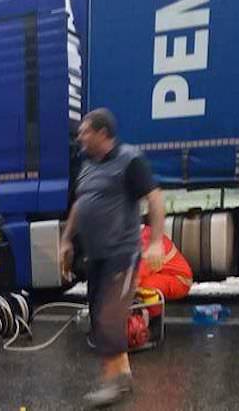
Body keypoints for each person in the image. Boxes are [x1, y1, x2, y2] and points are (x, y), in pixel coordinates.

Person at [59, 109, 165, 408]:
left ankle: (111, 384)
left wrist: (156, 241)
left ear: (103, 133)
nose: (79, 136)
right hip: (97, 255)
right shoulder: (87, 165)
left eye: (85, 131)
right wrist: (67, 239)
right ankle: (124, 375)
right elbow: (81, 204)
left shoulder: (130, 160)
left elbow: (155, 197)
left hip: (122, 253)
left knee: (109, 316)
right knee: (99, 315)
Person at [137, 225, 193, 316]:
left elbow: (139, 272)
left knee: (145, 285)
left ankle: (150, 318)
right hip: (158, 274)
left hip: (179, 280)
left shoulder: (146, 237)